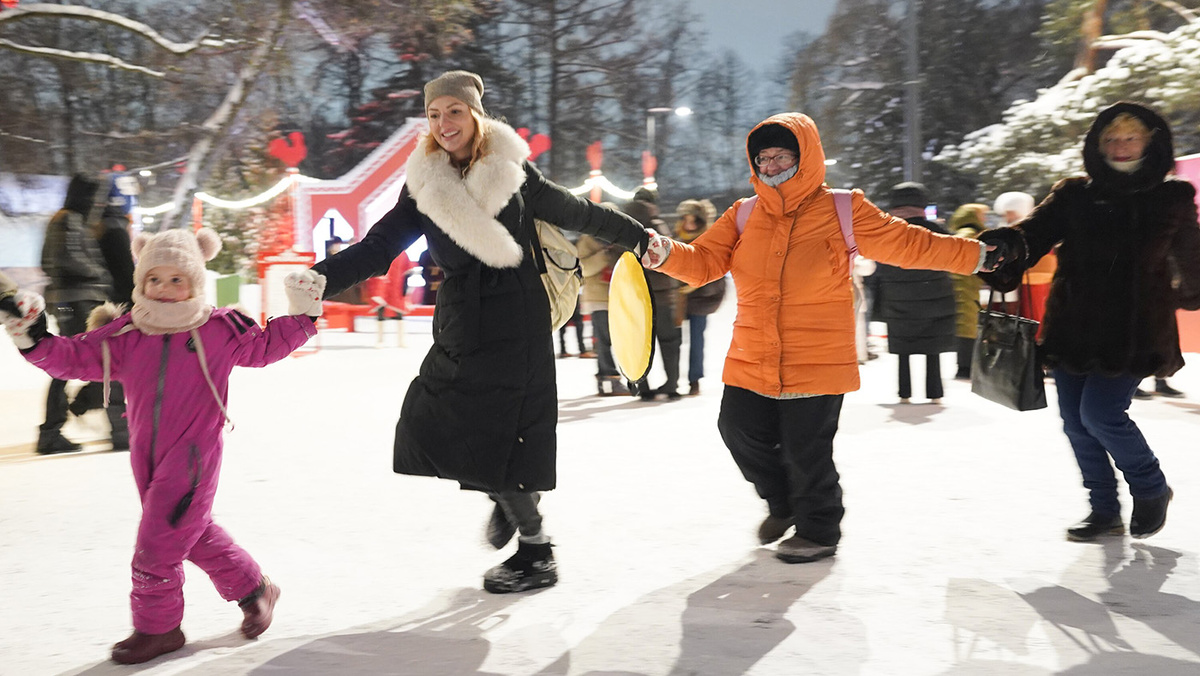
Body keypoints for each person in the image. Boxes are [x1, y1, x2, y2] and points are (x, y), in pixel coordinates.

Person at [297, 71, 649, 593]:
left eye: (454, 112)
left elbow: (577, 212)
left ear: (475, 115)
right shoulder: (424, 181)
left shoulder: (512, 170)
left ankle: (536, 549)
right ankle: (507, 491)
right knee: (431, 420)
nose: (444, 124)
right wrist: (317, 279)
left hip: (516, 316)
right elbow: (378, 247)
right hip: (461, 320)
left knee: (500, 433)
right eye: (434, 114)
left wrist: (640, 238)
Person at [639, 113, 995, 564]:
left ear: (804, 156)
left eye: (780, 155)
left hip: (818, 352)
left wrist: (977, 255)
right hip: (753, 349)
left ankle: (819, 528)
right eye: (762, 157)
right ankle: (783, 502)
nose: (769, 165)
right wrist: (663, 252)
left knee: (806, 448)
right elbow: (705, 261)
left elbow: (910, 244)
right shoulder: (745, 213)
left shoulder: (844, 209)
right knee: (738, 430)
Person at [0, 228, 321, 664]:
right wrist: (33, 337)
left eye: (177, 279)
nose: (165, 290)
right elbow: (74, 357)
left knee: (157, 544)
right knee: (191, 533)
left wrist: (301, 316)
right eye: (155, 279)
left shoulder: (218, 328)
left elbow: (263, 348)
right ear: (141, 283)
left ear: (195, 281)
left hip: (194, 456)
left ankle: (160, 628)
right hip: (146, 455)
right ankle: (255, 588)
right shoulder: (128, 334)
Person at [978, 101, 1200, 543]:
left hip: (1134, 327)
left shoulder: (1171, 197)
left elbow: (1191, 254)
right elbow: (1032, 235)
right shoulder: (1074, 194)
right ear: (1097, 145)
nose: (1120, 147)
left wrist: (1192, 290)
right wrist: (1005, 245)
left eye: (1130, 137)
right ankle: (1104, 511)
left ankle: (1151, 486)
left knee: (1100, 414)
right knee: (1075, 421)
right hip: (1073, 323)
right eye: (1111, 139)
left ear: (1150, 141)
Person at [36, 173, 112, 454]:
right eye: (93, 197)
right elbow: (64, 259)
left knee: (73, 362)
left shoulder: (70, 220)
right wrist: (99, 273)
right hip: (72, 302)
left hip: (73, 300)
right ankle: (52, 430)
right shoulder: (66, 219)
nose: (96, 203)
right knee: (69, 362)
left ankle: (58, 424)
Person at [872, 182, 957, 404]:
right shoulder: (936, 230)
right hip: (934, 295)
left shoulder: (888, 232)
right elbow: (955, 256)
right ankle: (935, 392)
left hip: (898, 298)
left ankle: (904, 393)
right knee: (932, 347)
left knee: (903, 348)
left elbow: (878, 268)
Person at [68, 177, 137, 448]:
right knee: (119, 369)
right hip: (120, 308)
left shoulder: (98, 228)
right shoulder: (116, 229)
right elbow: (125, 275)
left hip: (106, 306)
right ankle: (121, 432)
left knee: (113, 367)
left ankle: (87, 406)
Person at [626, 188, 683, 400]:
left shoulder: (622, 228)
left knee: (640, 343)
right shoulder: (657, 227)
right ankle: (671, 385)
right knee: (668, 341)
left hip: (634, 295)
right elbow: (669, 257)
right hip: (661, 296)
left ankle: (643, 386)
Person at [674, 199, 726, 396]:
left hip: (701, 298)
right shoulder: (675, 238)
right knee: (674, 341)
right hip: (677, 299)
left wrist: (694, 284)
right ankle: (672, 380)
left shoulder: (709, 240)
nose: (689, 224)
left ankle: (694, 379)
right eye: (686, 219)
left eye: (693, 220)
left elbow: (716, 271)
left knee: (696, 341)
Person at [577, 227, 627, 395]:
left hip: (617, 295)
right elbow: (583, 268)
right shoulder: (587, 240)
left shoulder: (619, 240)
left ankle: (604, 379)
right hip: (598, 298)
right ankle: (612, 379)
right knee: (605, 339)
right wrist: (604, 254)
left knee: (608, 339)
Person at [946, 203, 989, 380]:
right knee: (968, 325)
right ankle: (965, 367)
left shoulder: (960, 234)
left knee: (966, 324)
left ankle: (964, 366)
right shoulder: (972, 235)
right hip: (966, 286)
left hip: (960, 286)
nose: (984, 219)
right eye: (982, 215)